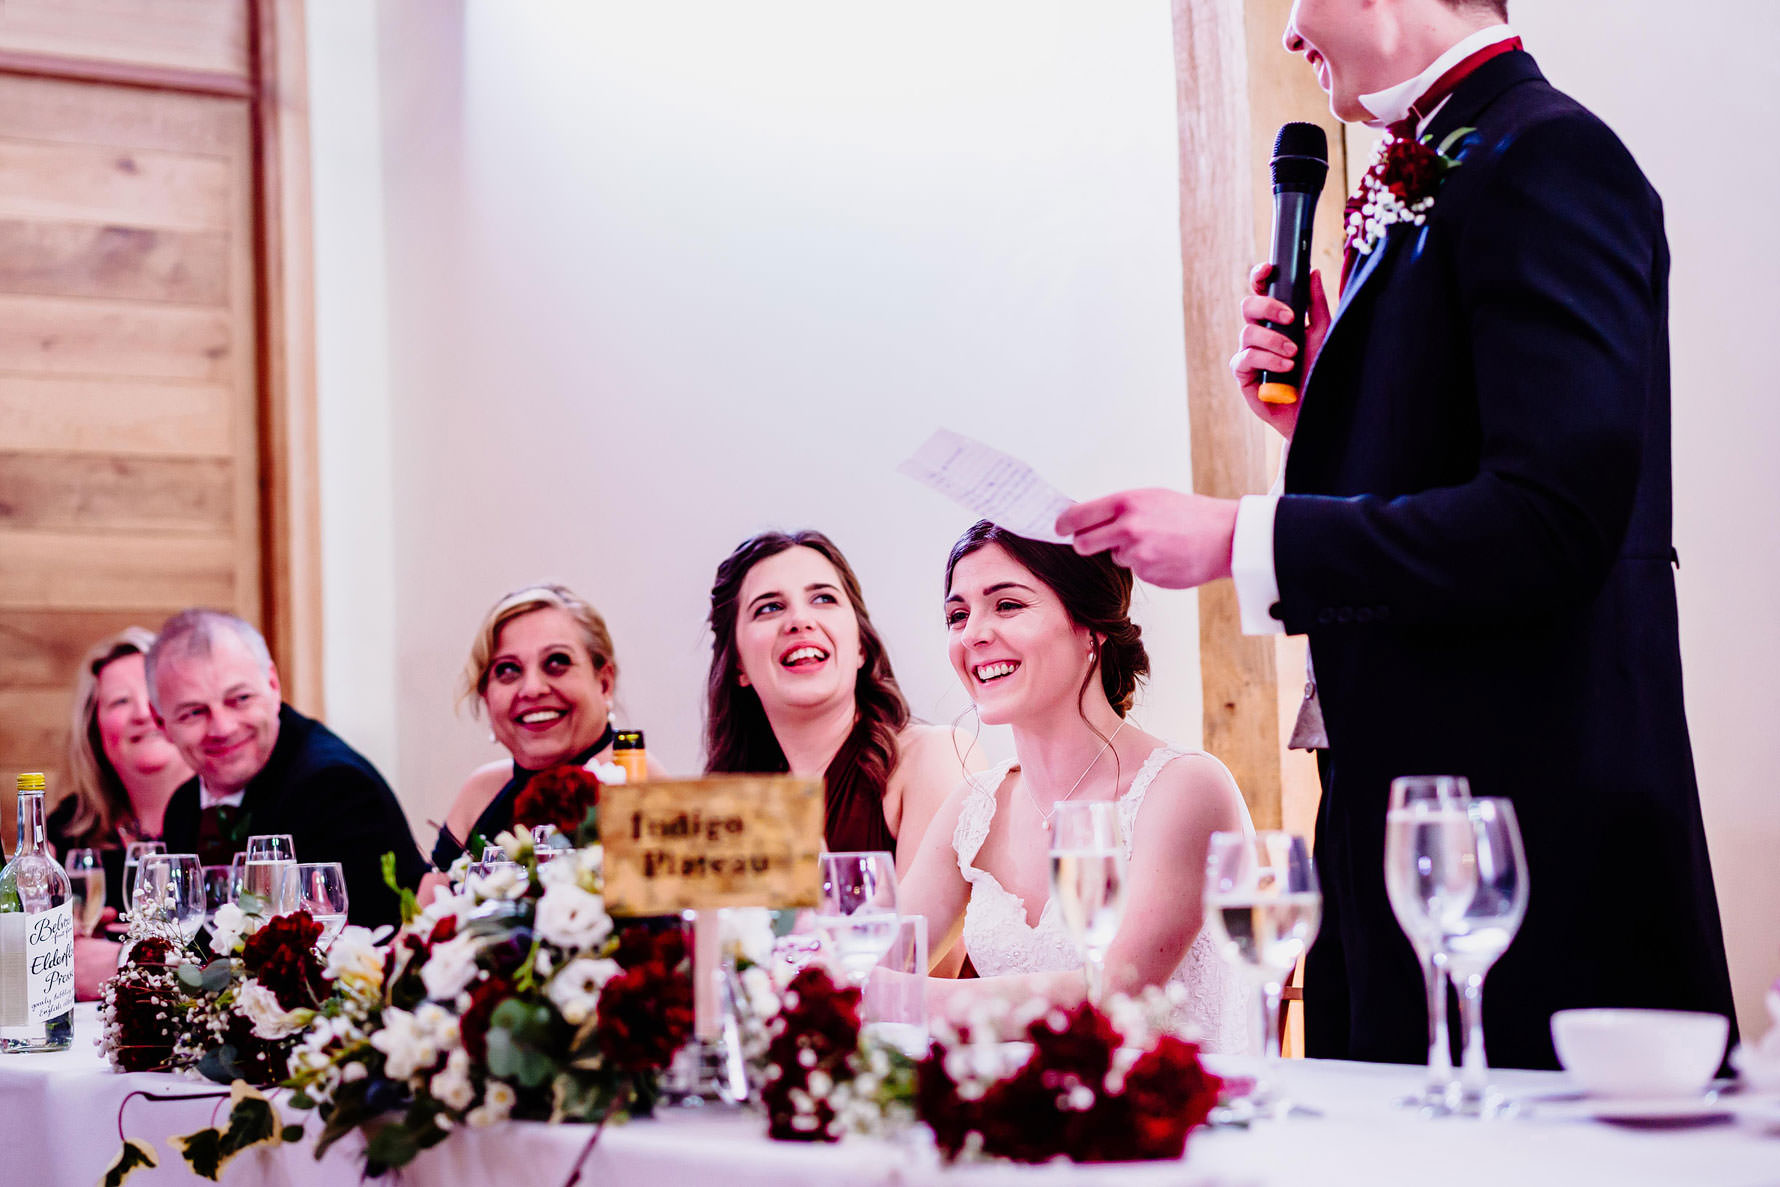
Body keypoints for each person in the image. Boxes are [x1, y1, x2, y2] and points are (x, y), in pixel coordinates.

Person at [1054, 0, 1736, 1068]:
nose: (1285, 33)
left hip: (1525, 845)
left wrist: (1243, 536)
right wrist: (1325, 408)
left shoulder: (1547, 153)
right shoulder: (1458, 155)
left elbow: (1551, 518)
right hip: (1410, 832)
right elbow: (1465, 463)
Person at [898, 522, 1252, 1051]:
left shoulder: (1185, 789)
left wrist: (905, 999)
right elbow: (869, 964)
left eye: (1008, 605)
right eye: (957, 615)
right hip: (1027, 1119)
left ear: (1092, 625)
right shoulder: (973, 811)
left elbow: (1115, 997)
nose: (972, 634)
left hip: (1180, 1120)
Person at [705, 530, 976, 879]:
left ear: (861, 645)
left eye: (823, 599)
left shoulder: (934, 755)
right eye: (770, 607)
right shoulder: (730, 805)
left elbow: (926, 934)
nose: (800, 621)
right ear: (738, 664)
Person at [147, 609, 427, 928]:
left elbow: (350, 952)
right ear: (160, 723)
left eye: (239, 699)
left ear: (273, 684)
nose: (222, 728)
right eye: (194, 712)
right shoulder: (183, 806)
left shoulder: (336, 788)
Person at [431, 583, 662, 879]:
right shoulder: (480, 793)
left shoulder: (641, 787)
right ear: (486, 695)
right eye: (507, 670)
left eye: (556, 662)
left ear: (604, 683)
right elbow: (421, 920)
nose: (532, 689)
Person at [47, 627, 194, 999]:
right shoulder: (67, 830)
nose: (144, 714)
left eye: (154, 695)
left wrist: (125, 961)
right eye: (120, 702)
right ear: (93, 727)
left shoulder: (228, 816)